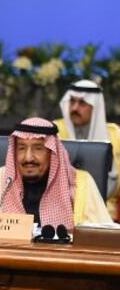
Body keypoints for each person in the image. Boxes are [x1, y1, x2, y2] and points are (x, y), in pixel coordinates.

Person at [0, 118, 111, 228]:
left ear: (52, 152)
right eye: (21, 148)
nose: (28, 157)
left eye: (38, 148)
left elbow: (103, 236)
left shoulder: (80, 183)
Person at [55, 80, 120, 220]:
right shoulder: (55, 131)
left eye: (82, 103)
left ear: (96, 107)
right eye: (72, 101)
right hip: (60, 212)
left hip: (106, 215)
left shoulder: (115, 134)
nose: (74, 108)